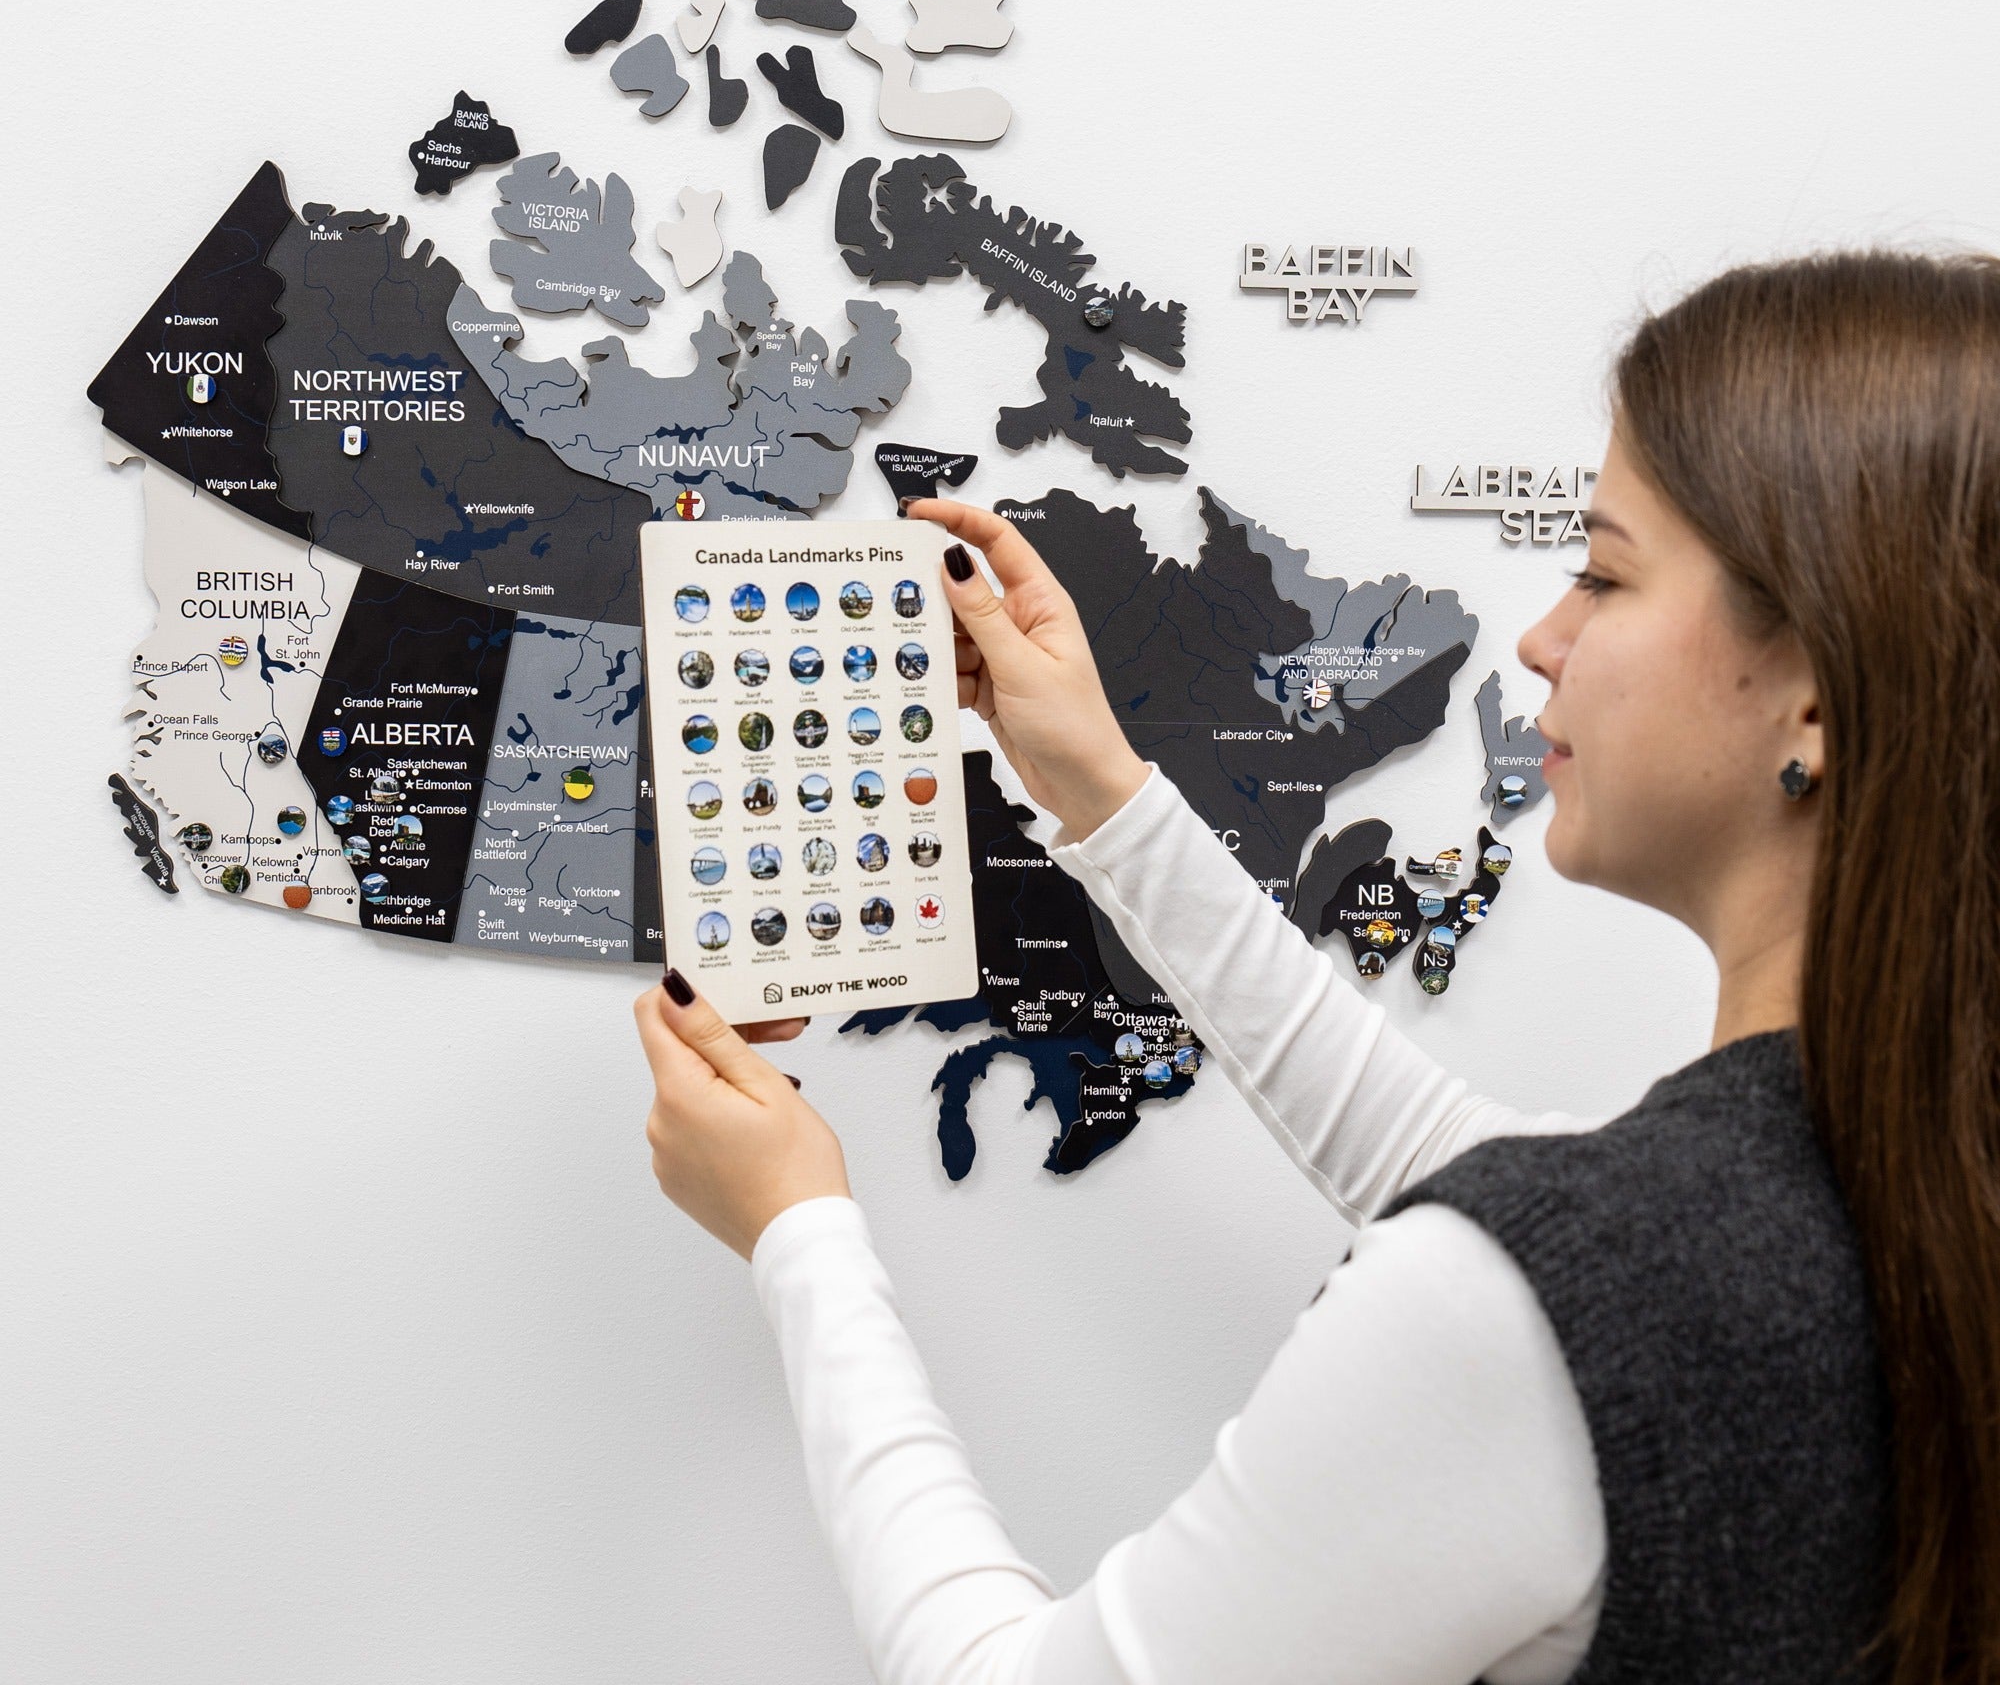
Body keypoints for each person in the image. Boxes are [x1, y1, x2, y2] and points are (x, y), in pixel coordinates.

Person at [632, 254, 2000, 1685]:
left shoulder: (1563, 1300)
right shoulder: (1896, 1181)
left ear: (1818, 696)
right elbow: (1472, 1173)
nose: (1540, 636)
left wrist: (800, 1238)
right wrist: (1101, 789)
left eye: (1602, 573)